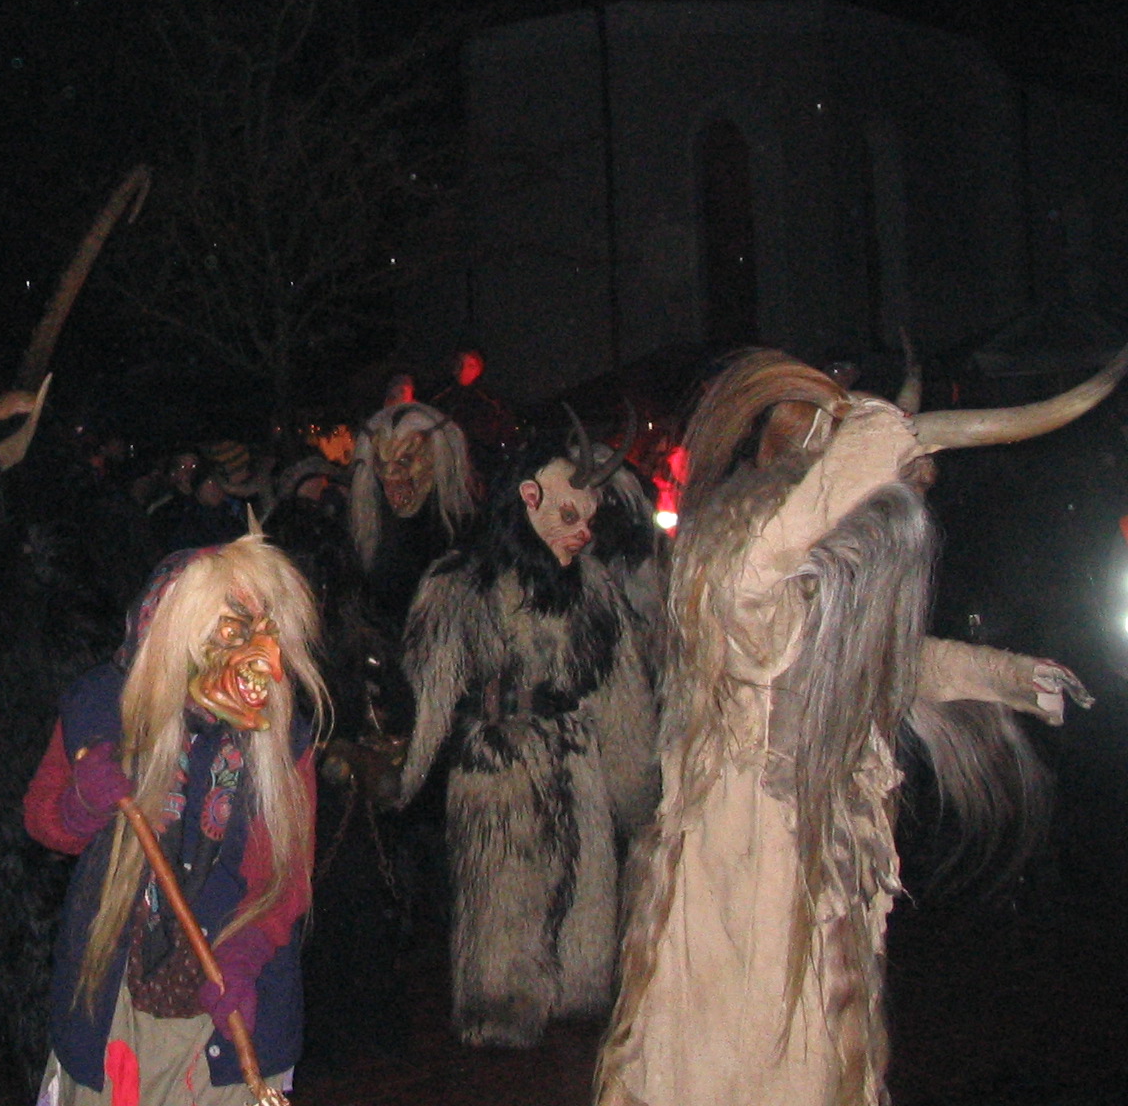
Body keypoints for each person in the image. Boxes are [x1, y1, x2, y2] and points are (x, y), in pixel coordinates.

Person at [597, 348, 1117, 1106]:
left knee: (813, 1051)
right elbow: (748, 588)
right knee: (740, 1057)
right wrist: (869, 449)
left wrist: (1009, 677)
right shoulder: (741, 573)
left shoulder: (818, 588)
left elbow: (891, 661)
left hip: (822, 857)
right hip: (745, 861)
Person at [25, 536, 329, 1105]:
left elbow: (285, 880)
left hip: (225, 1018)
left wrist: (246, 954)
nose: (263, 661)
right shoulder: (104, 713)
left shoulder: (282, 741)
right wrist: (83, 803)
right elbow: (44, 823)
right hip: (114, 1002)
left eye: (268, 632)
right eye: (233, 631)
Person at [398, 428, 660, 1049]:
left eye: (589, 520)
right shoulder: (461, 585)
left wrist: (637, 797)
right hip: (496, 763)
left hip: (576, 755)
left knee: (586, 876)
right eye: (569, 517)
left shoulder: (595, 589)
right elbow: (429, 690)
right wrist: (406, 774)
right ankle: (500, 1003)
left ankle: (577, 985)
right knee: (504, 887)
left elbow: (621, 694)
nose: (584, 533)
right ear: (529, 498)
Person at [348, 399, 476, 625]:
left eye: (405, 461)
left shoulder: (465, 536)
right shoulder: (367, 534)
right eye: (381, 464)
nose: (391, 474)